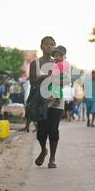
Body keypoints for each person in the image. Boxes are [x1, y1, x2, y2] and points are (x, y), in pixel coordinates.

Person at [30, 37, 69, 169]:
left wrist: (57, 82)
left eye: (52, 44)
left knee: (53, 129)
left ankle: (52, 158)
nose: (49, 46)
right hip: (41, 101)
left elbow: (66, 80)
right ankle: (43, 150)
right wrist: (44, 77)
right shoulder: (35, 63)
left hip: (57, 101)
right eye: (46, 44)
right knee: (41, 131)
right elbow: (32, 82)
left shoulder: (58, 63)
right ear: (41, 46)